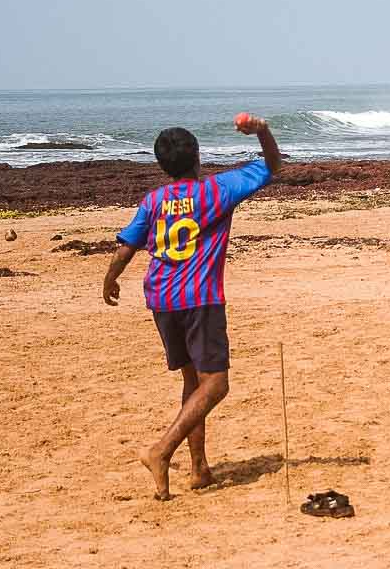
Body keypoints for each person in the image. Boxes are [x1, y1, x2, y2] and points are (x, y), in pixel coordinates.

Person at [102, 115, 282, 500]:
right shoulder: (216, 190)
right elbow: (272, 166)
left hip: (162, 300)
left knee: (192, 383)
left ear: (161, 165)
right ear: (198, 157)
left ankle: (199, 469)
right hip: (200, 299)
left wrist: (110, 279)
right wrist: (262, 130)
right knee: (216, 385)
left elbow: (126, 248)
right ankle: (161, 451)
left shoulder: (152, 202)